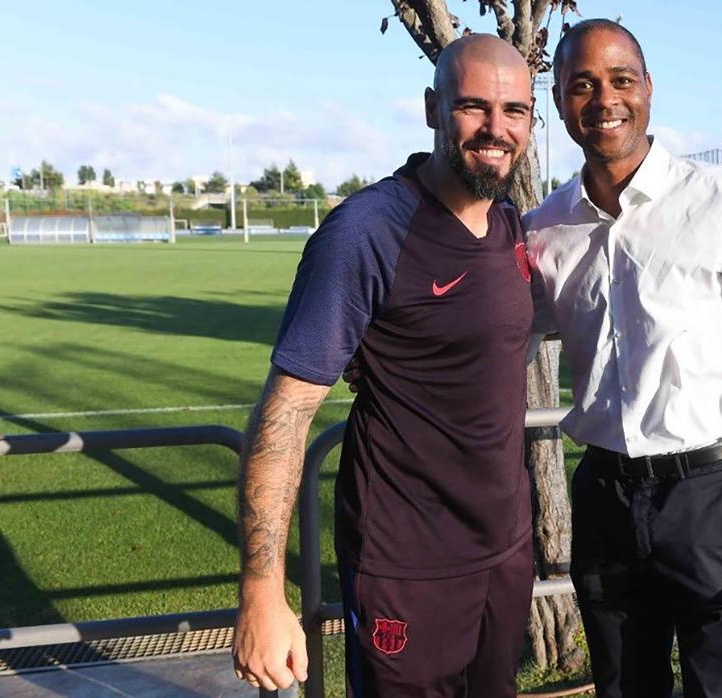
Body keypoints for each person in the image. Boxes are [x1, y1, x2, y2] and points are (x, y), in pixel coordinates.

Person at [522, 19, 722, 698]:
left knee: (721, 689)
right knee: (624, 688)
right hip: (603, 496)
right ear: (559, 101)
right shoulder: (545, 229)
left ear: (649, 90)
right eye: (582, 84)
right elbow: (492, 335)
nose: (604, 99)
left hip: (713, 499)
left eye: (621, 80)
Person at [232, 34, 538, 696]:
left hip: (506, 552)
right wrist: (262, 589)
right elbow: (286, 413)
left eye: (514, 111)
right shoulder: (368, 232)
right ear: (433, 108)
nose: (495, 129)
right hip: (409, 567)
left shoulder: (510, 222)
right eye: (473, 106)